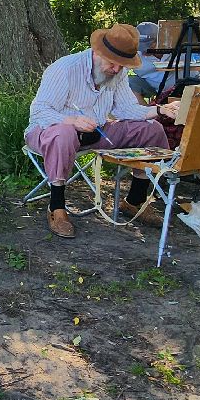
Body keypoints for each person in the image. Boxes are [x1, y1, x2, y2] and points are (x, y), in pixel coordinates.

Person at [26, 22, 180, 238]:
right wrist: (72, 120)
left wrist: (162, 109)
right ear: (97, 52)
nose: (116, 69)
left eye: (121, 65)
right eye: (113, 63)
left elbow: (126, 108)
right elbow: (39, 111)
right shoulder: (65, 69)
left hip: (97, 131)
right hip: (49, 132)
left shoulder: (118, 72)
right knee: (64, 133)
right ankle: (57, 208)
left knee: (152, 130)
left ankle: (134, 202)